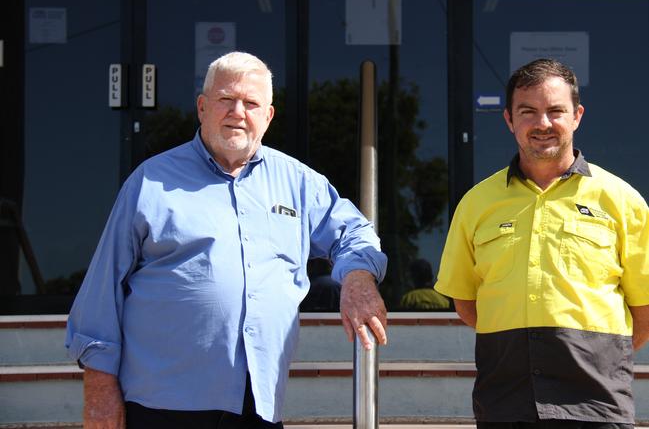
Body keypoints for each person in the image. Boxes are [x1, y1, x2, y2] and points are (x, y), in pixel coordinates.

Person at [66, 51, 388, 429]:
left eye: (251, 103)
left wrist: (357, 277)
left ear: (267, 117)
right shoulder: (149, 183)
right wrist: (100, 388)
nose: (238, 111)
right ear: (202, 108)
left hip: (257, 405)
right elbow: (102, 292)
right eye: (225, 100)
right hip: (163, 405)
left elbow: (356, 232)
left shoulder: (299, 183)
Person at [435, 58, 649, 428]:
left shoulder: (622, 200)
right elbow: (466, 303)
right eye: (528, 111)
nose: (543, 123)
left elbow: (644, 309)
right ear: (509, 119)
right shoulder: (476, 203)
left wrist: (597, 356)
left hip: (597, 402)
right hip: (505, 398)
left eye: (556, 111)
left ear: (577, 115)